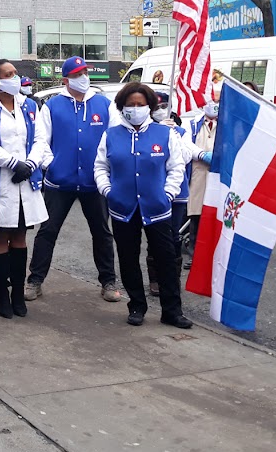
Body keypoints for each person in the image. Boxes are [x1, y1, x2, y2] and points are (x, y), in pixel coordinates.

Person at [94, 83, 192, 329]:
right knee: (128, 258)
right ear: (122, 107)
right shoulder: (111, 135)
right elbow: (101, 167)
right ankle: (137, 305)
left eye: (140, 105)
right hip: (123, 209)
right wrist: (107, 191)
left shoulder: (165, 133)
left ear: (149, 106)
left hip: (158, 208)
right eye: (131, 105)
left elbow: (176, 167)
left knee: (166, 259)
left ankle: (172, 310)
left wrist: (168, 193)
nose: (135, 109)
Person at [24, 56, 121, 303]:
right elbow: (41, 140)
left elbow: (116, 137)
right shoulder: (53, 106)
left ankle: (108, 281)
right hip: (59, 181)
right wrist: (50, 165)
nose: (83, 78)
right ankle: (35, 280)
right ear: (67, 79)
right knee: (47, 231)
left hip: (94, 181)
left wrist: (109, 170)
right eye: (78, 74)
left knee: (101, 232)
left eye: (85, 72)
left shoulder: (103, 104)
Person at [0, 56, 49, 318]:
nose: (16, 78)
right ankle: (1, 295)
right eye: (9, 75)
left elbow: (41, 139)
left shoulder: (30, 105)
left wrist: (31, 164)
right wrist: (12, 163)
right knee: (0, 237)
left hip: (27, 181)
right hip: (0, 181)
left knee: (20, 237)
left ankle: (18, 293)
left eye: (15, 74)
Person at [146, 91, 203, 296]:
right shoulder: (148, 130)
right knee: (155, 235)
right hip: (154, 192)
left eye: (164, 107)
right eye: (157, 108)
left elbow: (187, 155)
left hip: (177, 194)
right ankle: (154, 279)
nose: (161, 111)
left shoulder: (180, 130)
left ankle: (171, 279)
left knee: (174, 236)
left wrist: (174, 136)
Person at [184, 93, 219, 269]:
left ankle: (212, 256)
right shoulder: (193, 124)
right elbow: (186, 145)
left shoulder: (226, 124)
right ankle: (194, 255)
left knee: (214, 216)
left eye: (217, 101)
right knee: (196, 216)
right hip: (198, 173)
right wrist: (201, 154)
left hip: (219, 174)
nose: (213, 104)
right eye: (210, 100)